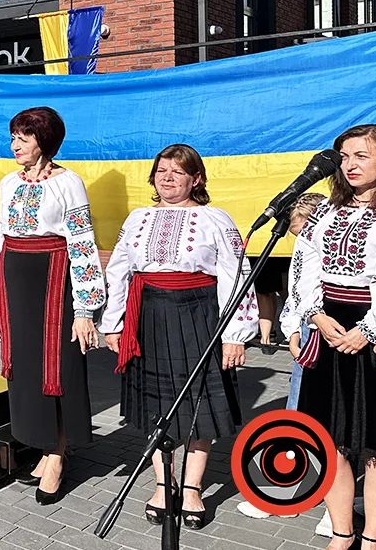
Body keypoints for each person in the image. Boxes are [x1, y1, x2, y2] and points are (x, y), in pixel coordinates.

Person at [100, 144, 257, 530]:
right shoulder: (138, 217)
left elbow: (236, 276)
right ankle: (161, 483)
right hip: (147, 315)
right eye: (161, 170)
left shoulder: (214, 219)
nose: (167, 177)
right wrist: (113, 323)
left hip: (198, 314)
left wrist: (235, 334)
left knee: (198, 406)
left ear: (196, 179)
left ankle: (191, 488)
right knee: (157, 405)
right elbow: (120, 270)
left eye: (178, 172)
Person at [0, 107, 105, 505]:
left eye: (23, 136)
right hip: (16, 282)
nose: (15, 145)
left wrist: (85, 310)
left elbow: (83, 243)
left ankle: (58, 453)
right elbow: (0, 238)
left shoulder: (69, 183)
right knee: (24, 366)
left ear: (45, 139)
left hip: (54, 279)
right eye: (12, 137)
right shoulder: (8, 183)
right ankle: (44, 445)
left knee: (56, 365)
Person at [281, 124, 376, 550]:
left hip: (375, 330)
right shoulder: (324, 211)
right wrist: (311, 316)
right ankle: (342, 531)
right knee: (331, 436)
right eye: (344, 156)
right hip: (328, 324)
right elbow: (303, 267)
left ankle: (375, 537)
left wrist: (371, 328)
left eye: (361, 154)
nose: (350, 164)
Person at [237, 192, 328, 525]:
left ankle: (289, 494)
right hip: (309, 329)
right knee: (300, 411)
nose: (299, 238)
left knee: (312, 416)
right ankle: (289, 491)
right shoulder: (305, 244)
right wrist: (291, 326)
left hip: (336, 328)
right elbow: (299, 288)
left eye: (301, 230)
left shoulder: (329, 237)